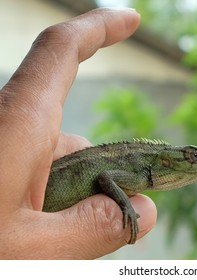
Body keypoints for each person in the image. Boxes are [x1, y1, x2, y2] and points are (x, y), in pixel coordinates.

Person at [0, 8, 157, 259]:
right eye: (192, 156)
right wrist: (126, 205)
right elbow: (106, 177)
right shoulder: (138, 175)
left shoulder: (140, 173)